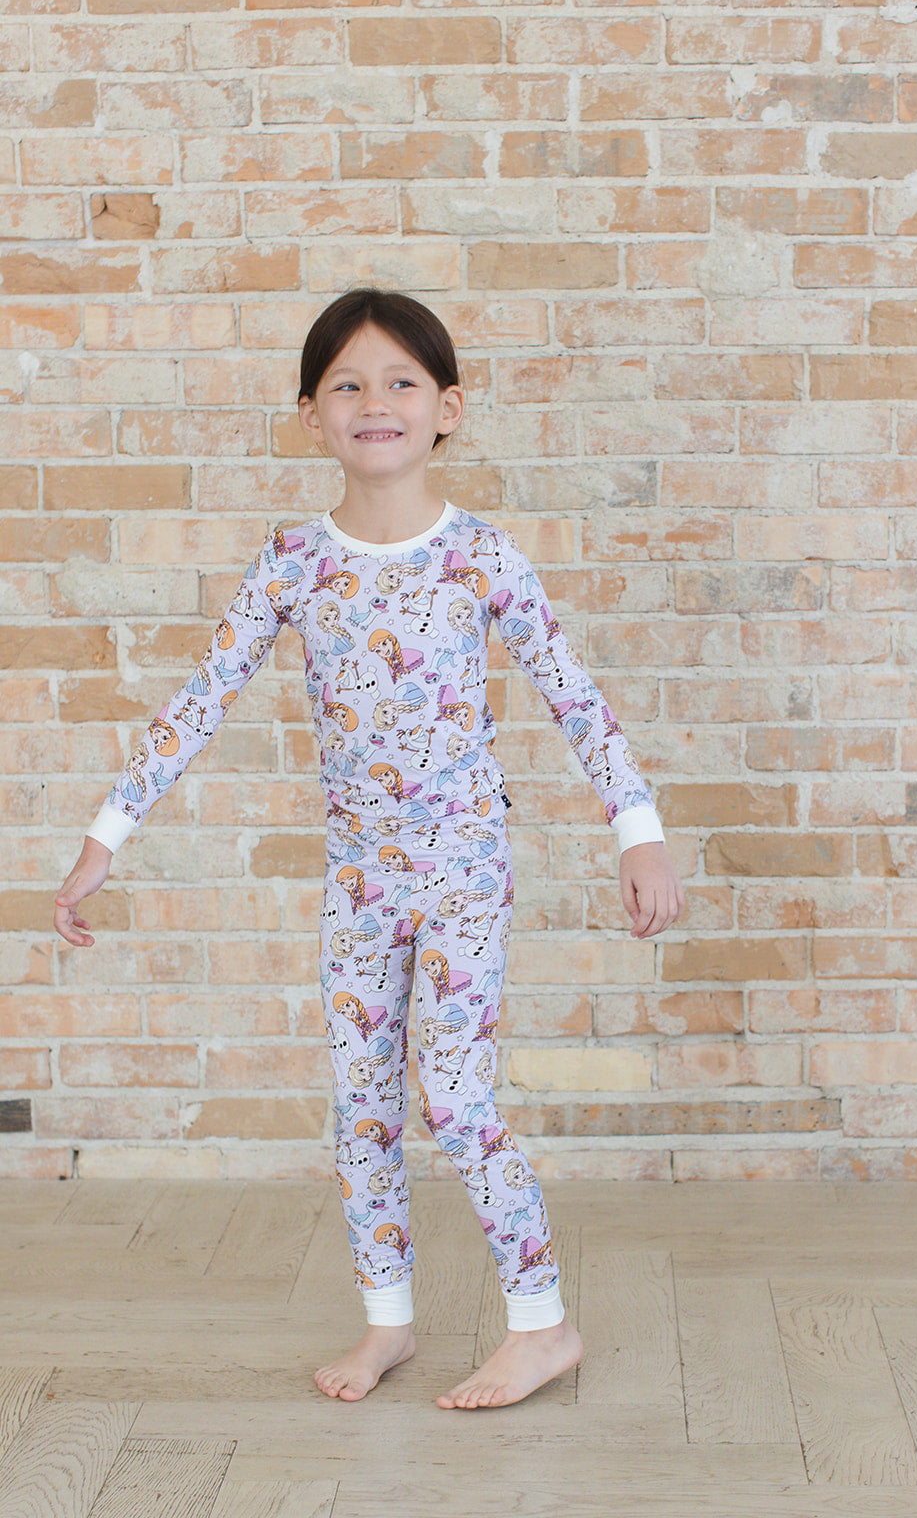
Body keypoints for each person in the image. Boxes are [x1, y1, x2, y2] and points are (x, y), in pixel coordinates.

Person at [53, 288, 686, 1410]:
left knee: (456, 1099)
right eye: (346, 383)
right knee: (360, 1107)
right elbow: (201, 698)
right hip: (357, 880)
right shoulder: (294, 562)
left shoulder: (479, 556)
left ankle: (541, 1322)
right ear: (311, 415)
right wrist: (108, 834)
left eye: (400, 381)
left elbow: (573, 697)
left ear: (447, 408)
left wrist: (637, 834)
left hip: (463, 871)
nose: (373, 401)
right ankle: (387, 1319)